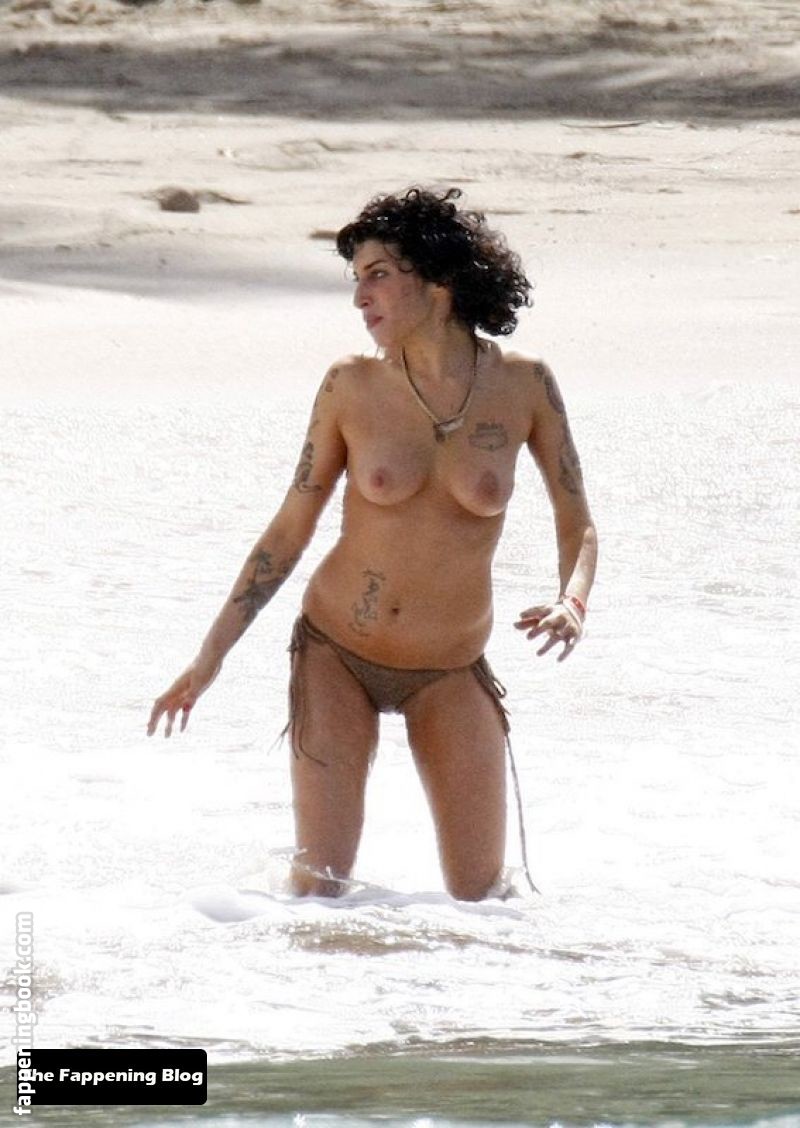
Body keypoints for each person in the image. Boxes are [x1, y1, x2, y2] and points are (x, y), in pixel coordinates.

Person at [147, 186, 597, 902]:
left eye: (378, 274)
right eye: (356, 279)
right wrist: (210, 658)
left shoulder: (524, 386)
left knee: (486, 905)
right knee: (319, 895)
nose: (360, 297)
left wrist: (573, 601)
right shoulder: (350, 387)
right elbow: (289, 530)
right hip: (337, 654)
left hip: (450, 666)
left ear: (438, 279)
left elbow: (577, 521)